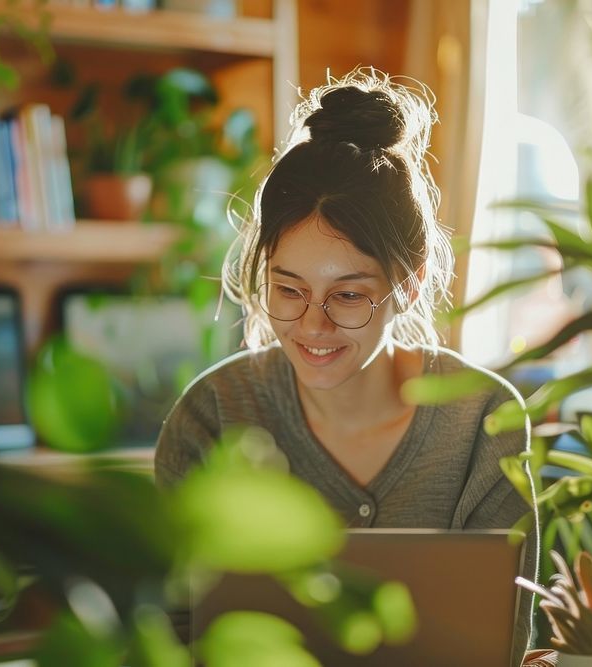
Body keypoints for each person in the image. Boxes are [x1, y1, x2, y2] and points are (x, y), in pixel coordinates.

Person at [153, 68, 538, 665]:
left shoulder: (482, 421)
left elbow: (502, 641)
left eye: (349, 295)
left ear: (407, 286)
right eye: (288, 290)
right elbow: (169, 634)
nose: (312, 326)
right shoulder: (213, 415)